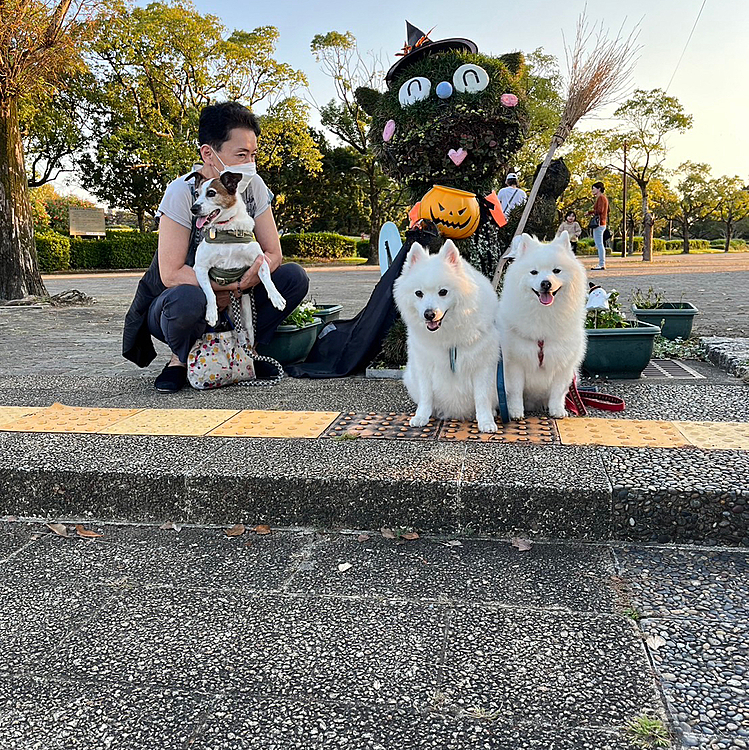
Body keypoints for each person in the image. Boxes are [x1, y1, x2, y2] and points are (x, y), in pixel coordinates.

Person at [122, 101, 309, 392]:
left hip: (238, 292)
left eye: (253, 154)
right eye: (241, 154)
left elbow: (273, 253)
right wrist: (223, 288)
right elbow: (170, 273)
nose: (250, 162)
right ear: (209, 153)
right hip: (184, 298)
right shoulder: (182, 191)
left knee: (293, 278)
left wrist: (244, 282)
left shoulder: (254, 186)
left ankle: (246, 352)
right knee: (186, 301)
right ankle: (179, 360)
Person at [589, 181, 609, 270]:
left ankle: (601, 264)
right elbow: (607, 210)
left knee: (599, 244)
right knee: (599, 244)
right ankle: (601, 263)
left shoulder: (601, 198)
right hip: (602, 223)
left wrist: (590, 212)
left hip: (599, 224)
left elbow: (600, 210)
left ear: (599, 189)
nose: (592, 190)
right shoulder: (604, 198)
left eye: (593, 188)